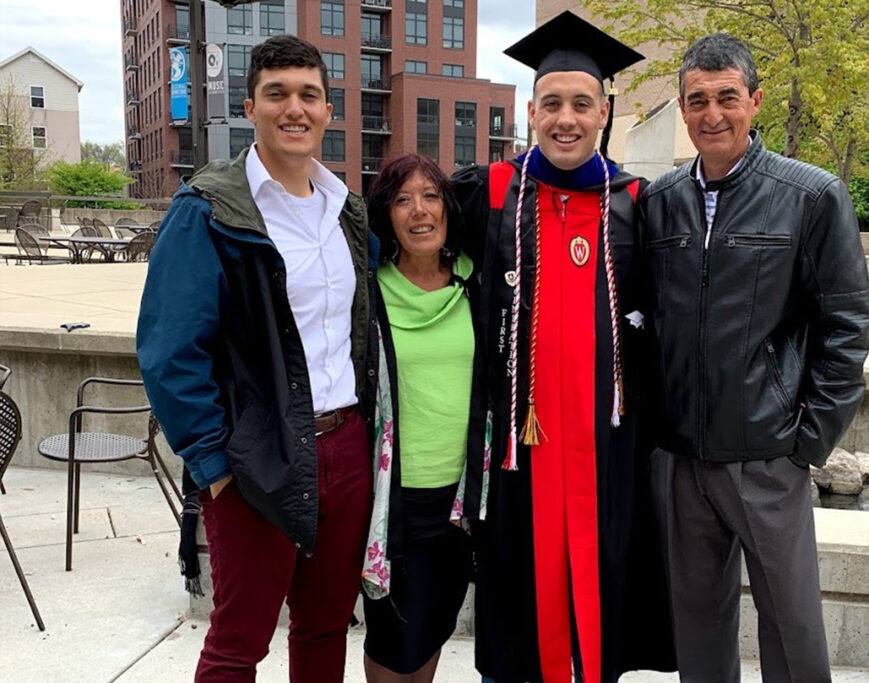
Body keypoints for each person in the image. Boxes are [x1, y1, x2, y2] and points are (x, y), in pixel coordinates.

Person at [136, 34, 374, 681]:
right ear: (250, 107)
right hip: (257, 451)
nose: (293, 108)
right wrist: (215, 465)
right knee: (239, 641)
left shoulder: (345, 210)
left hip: (346, 445)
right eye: (277, 94)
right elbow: (168, 352)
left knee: (325, 626)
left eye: (308, 95)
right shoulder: (209, 209)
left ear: (328, 110)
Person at [639, 33, 869, 682]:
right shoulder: (659, 204)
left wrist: (807, 440)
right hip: (684, 458)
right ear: (682, 111)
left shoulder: (811, 196)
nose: (712, 113)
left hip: (769, 456)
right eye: (697, 100)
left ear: (755, 101)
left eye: (727, 97)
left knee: (793, 628)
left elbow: (846, 326)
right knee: (698, 630)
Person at [453, 11, 672, 683]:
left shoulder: (637, 202)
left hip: (611, 448)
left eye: (582, 103)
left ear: (605, 111)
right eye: (552, 103)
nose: (566, 118)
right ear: (531, 110)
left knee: (604, 585)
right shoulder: (489, 192)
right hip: (519, 447)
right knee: (518, 595)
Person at [359, 153, 476, 682]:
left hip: (463, 500)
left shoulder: (479, 284)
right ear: (386, 216)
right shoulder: (369, 293)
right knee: (392, 639)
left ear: (448, 209)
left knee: (433, 626)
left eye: (431, 196)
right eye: (402, 200)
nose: (419, 211)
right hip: (394, 499)